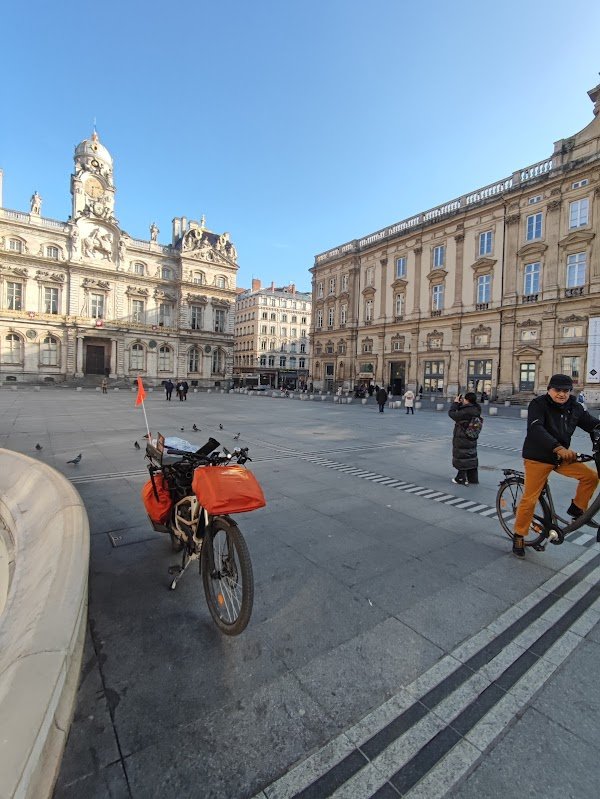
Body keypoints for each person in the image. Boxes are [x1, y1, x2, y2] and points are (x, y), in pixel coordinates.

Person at [511, 374, 600, 558]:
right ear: (549, 390)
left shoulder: (574, 407)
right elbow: (535, 428)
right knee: (530, 499)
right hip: (539, 457)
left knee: (591, 477)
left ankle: (577, 510)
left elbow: (593, 424)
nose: (561, 394)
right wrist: (557, 447)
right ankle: (519, 535)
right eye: (557, 390)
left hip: (561, 458)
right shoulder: (539, 404)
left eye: (566, 390)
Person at [448, 391, 481, 485]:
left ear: (467, 400)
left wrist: (455, 403)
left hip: (463, 436)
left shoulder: (466, 411)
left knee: (463, 456)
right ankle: (473, 479)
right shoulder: (476, 408)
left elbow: (452, 414)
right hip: (472, 436)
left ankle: (460, 478)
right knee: (470, 455)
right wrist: (460, 405)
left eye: (464, 399)